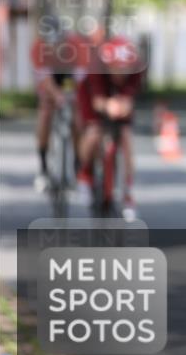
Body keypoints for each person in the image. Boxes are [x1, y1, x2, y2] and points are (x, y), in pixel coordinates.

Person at [75, 35, 143, 221]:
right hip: (93, 96)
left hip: (119, 100)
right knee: (94, 131)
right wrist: (107, 106)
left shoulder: (137, 70)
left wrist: (124, 105)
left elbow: (130, 95)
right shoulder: (96, 69)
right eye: (116, 69)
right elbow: (97, 102)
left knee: (126, 135)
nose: (121, 74)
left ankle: (127, 191)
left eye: (125, 70)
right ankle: (85, 173)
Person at [31, 29, 89, 193]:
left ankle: (78, 166)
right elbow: (44, 79)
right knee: (45, 113)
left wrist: (70, 95)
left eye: (58, 45)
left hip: (70, 76)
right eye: (51, 46)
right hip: (51, 79)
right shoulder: (38, 47)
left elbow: (81, 77)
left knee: (77, 119)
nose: (55, 49)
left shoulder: (77, 46)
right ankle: (43, 168)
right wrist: (57, 95)